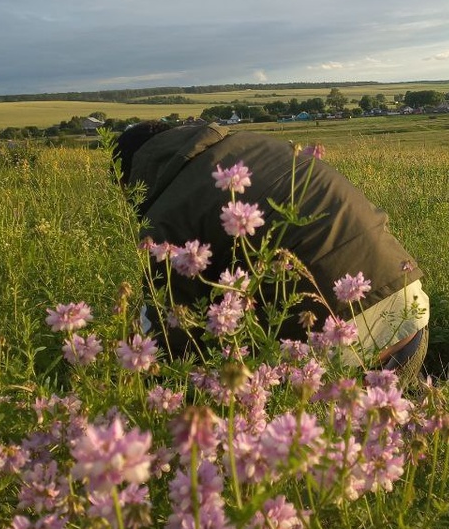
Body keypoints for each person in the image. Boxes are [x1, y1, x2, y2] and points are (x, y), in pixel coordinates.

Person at [113, 121, 429, 377]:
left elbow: (172, 329)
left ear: (131, 176)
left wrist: (135, 359)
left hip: (338, 367)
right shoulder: (254, 143)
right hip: (412, 320)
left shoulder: (167, 213)